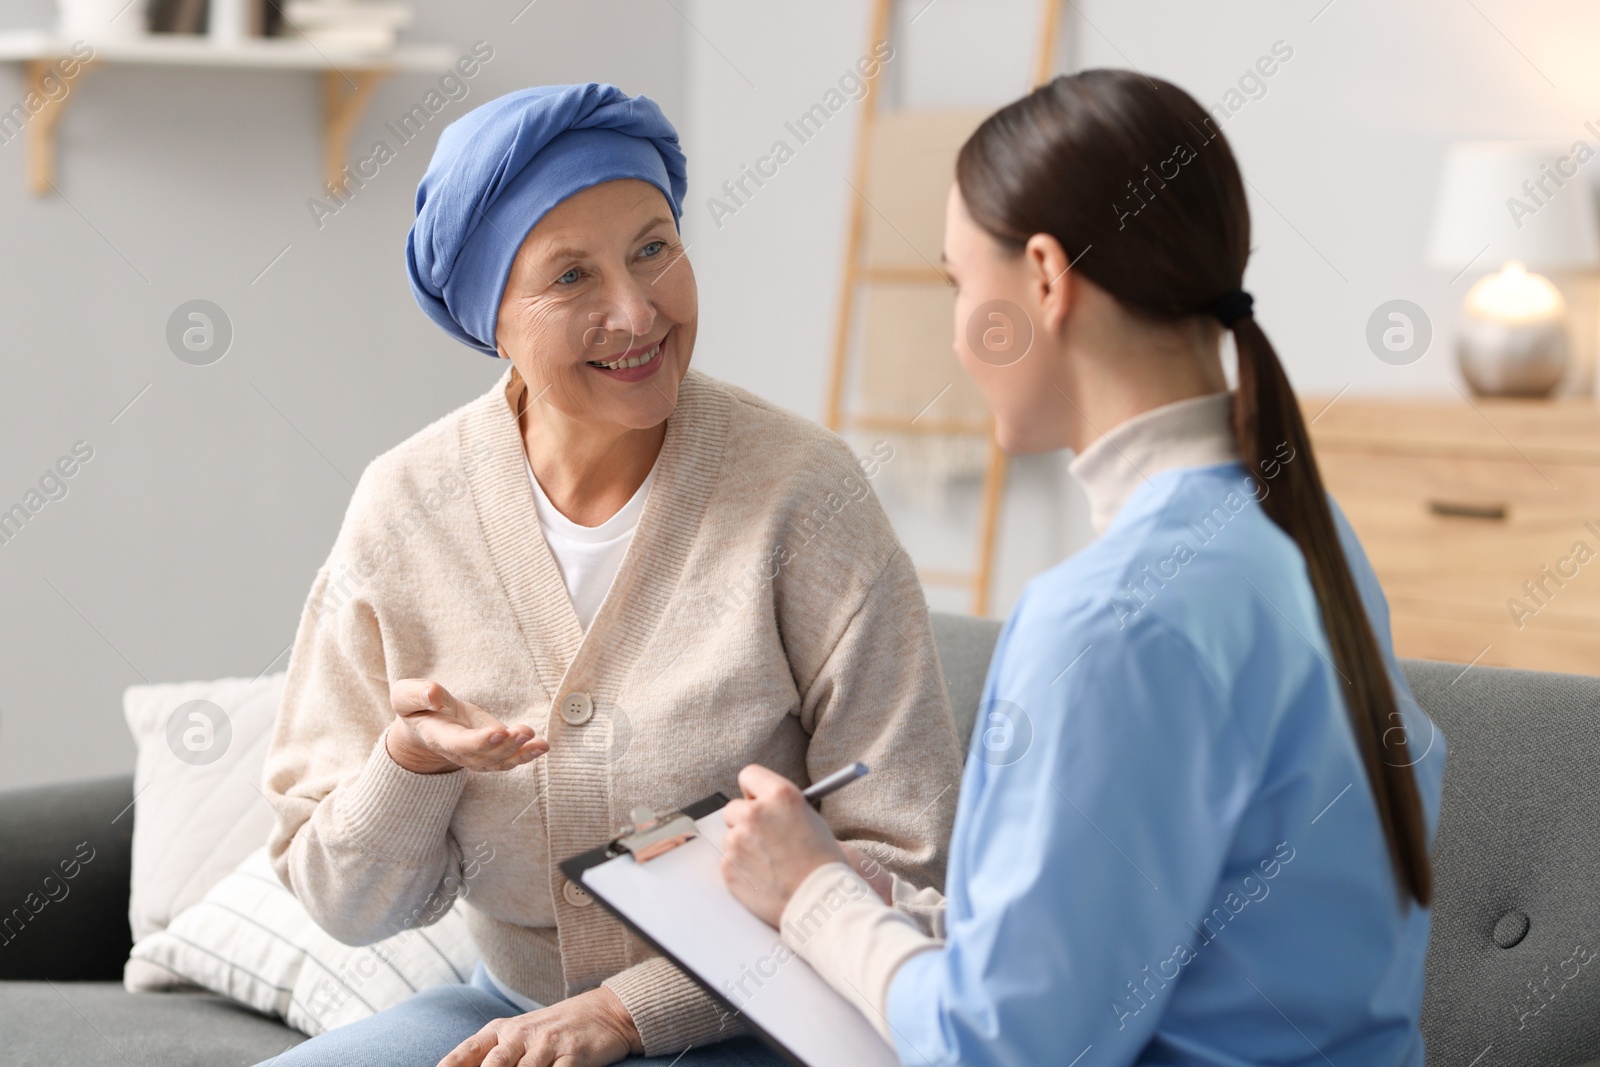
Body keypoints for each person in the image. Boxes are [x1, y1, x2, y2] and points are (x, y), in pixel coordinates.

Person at [719, 69, 1446, 1066]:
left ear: (1046, 280)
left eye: (956, 282)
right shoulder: (1307, 534)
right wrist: (890, 904)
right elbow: (1177, 932)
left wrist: (808, 894)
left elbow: (1003, 1048)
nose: (955, 334)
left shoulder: (1108, 620)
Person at [256, 83, 959, 1067]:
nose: (636, 311)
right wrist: (410, 765)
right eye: (571, 276)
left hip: (768, 1018)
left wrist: (630, 1010)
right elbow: (343, 900)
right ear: (488, 317)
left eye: (652, 248)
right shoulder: (403, 506)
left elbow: (904, 860)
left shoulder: (806, 493)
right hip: (507, 1012)